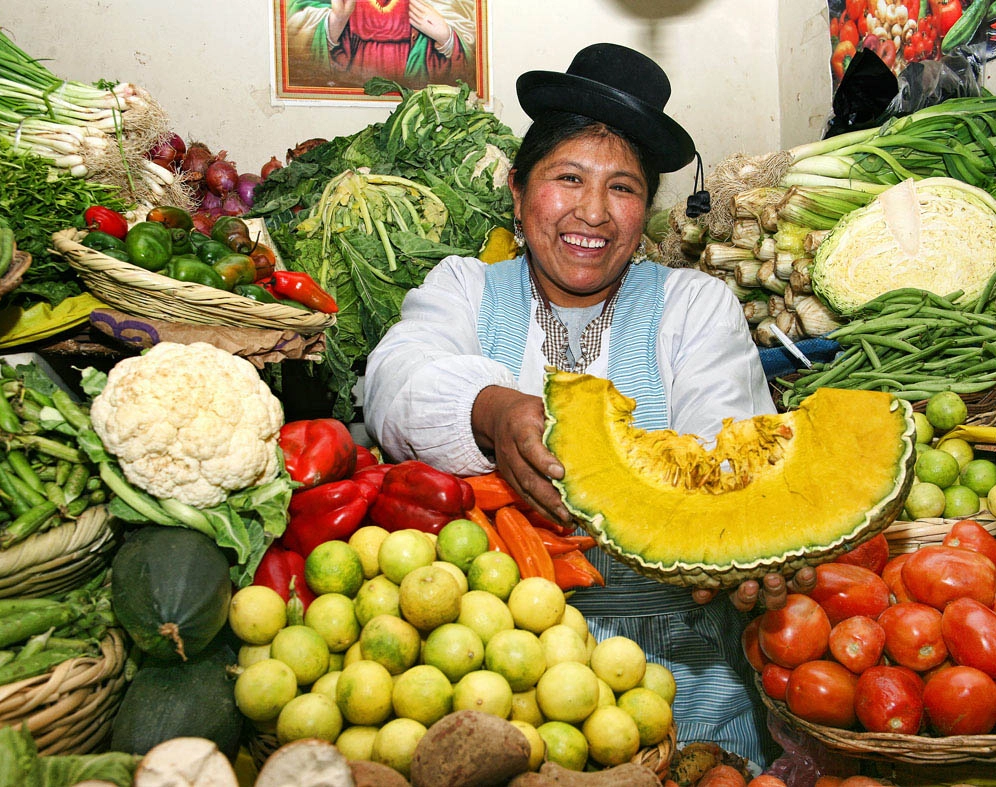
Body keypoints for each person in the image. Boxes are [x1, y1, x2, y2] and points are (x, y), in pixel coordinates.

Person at [363, 42, 815, 766]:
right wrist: (489, 409)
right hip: (485, 667)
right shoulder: (463, 289)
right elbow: (393, 379)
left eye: (624, 188)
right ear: (517, 191)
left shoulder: (691, 305)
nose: (592, 213)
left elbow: (729, 446)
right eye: (567, 178)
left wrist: (743, 526)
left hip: (677, 675)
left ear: (646, 209)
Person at [286, 0, 474, 88]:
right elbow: (293, 23)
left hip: (413, 76)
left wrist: (446, 37)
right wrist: (335, 21)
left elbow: (468, 28)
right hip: (354, 73)